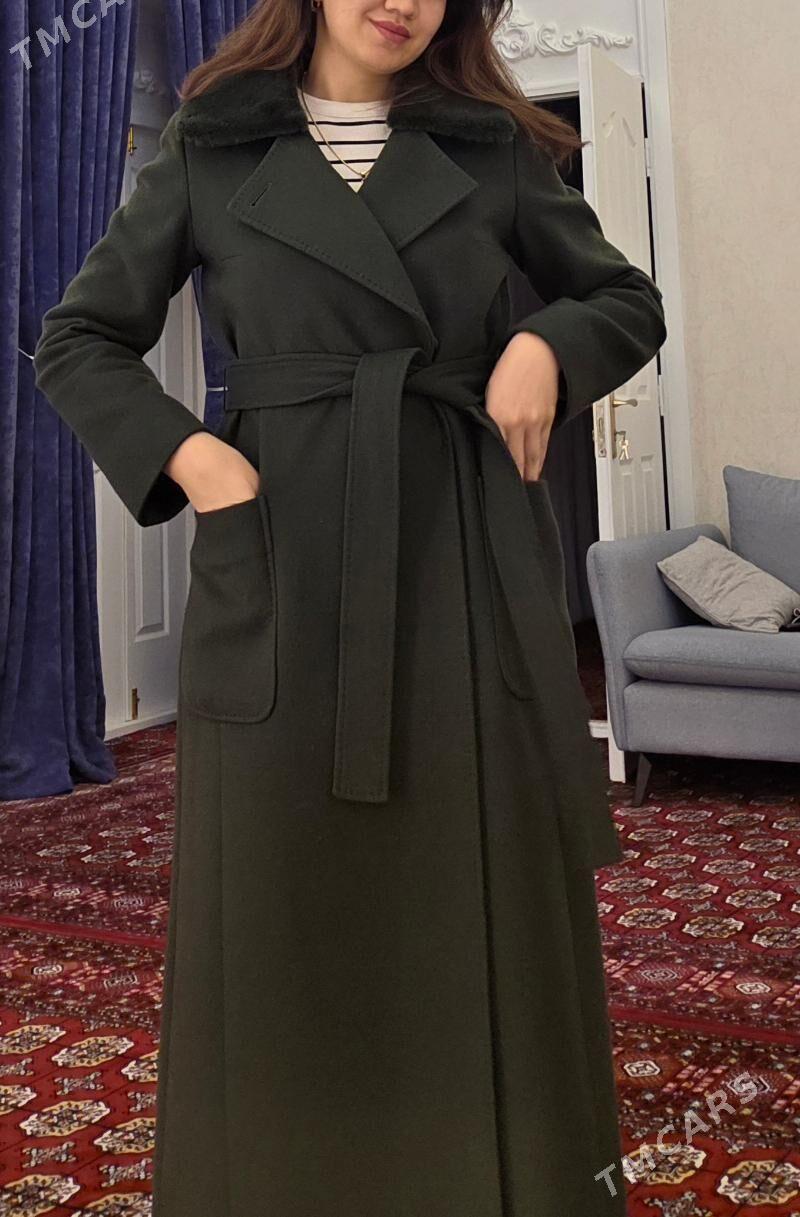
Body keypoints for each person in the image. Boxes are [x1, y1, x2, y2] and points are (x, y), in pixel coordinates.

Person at [33, 1, 668, 1213]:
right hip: (280, 561)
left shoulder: (491, 144)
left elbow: (622, 300)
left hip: (458, 557)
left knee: (476, 889)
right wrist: (198, 462)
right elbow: (81, 338)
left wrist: (544, 343)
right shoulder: (211, 143)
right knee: (281, 897)